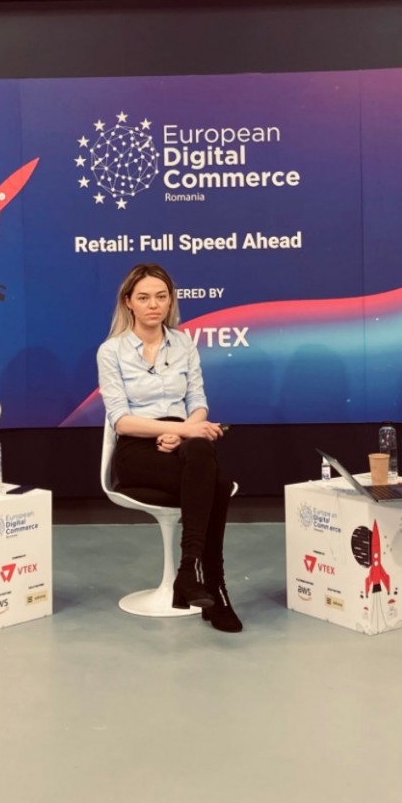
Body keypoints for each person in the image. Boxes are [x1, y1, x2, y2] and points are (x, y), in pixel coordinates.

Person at [97, 263, 241, 633]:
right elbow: (121, 421)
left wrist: (184, 432)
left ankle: (188, 572)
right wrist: (175, 429)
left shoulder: (183, 344)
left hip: (183, 442)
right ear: (128, 302)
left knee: (200, 452)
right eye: (144, 297)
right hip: (137, 450)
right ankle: (213, 585)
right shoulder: (111, 351)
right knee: (217, 483)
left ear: (170, 301)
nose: (153, 305)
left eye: (161, 297)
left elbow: (199, 403)